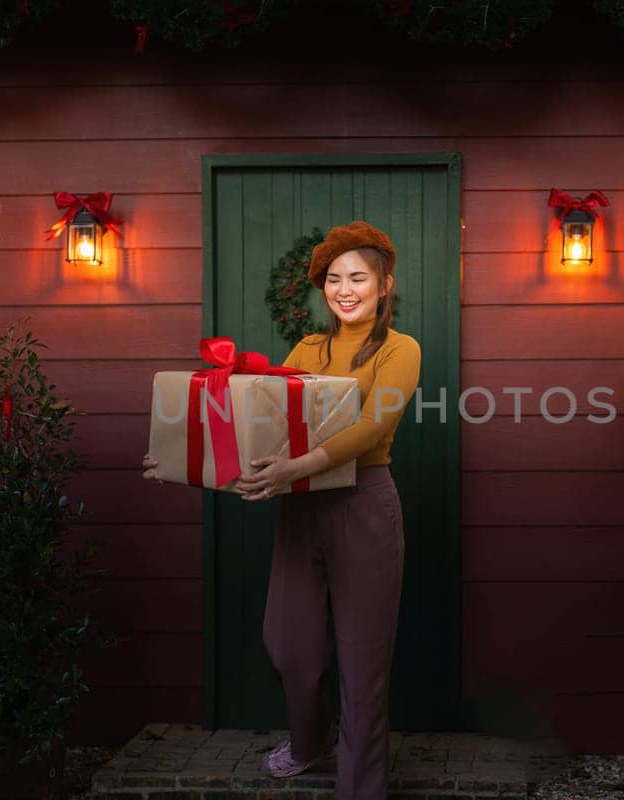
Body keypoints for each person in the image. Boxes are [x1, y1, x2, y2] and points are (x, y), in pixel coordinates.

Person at [142, 220, 421, 800]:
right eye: (335, 280)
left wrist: (297, 467)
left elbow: (373, 428)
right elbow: (261, 423)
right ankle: (310, 741)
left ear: (385, 283)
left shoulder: (401, 350)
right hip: (302, 509)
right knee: (289, 643)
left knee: (363, 666)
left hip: (365, 506)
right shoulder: (308, 349)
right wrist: (184, 460)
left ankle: (361, 790)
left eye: (359, 278)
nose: (345, 290)